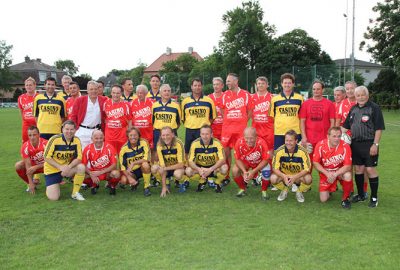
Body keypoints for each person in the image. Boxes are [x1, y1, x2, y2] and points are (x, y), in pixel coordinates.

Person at [342, 86, 385, 208]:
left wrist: (375, 144)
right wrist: (332, 135)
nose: (360, 97)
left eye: (363, 95)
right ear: (355, 97)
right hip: (355, 144)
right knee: (359, 169)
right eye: (358, 95)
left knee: (370, 170)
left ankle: (374, 197)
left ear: (367, 95)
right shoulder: (353, 109)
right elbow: (345, 127)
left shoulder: (374, 108)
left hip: (369, 144)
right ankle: (361, 195)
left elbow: (378, 128)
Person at [220, 73, 252, 186]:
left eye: (229, 81)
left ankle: (244, 176)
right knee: (226, 153)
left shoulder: (246, 94)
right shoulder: (224, 95)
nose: (227, 83)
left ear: (235, 81)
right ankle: (226, 176)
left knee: (242, 153)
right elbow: (222, 110)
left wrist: (243, 121)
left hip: (240, 130)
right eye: (226, 81)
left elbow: (250, 111)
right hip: (227, 130)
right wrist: (229, 120)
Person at [43, 120, 86, 201]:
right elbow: (46, 157)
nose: (69, 132)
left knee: (81, 167)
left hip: (66, 169)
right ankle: (54, 183)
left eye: (71, 129)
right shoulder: (54, 139)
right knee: (54, 198)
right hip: (52, 170)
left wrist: (68, 167)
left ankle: (75, 193)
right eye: (67, 129)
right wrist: (60, 167)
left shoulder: (76, 140)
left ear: (75, 130)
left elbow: (79, 158)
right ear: (62, 129)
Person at [313, 127, 353, 209]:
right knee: (323, 199)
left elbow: (348, 166)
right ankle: (331, 189)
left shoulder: (345, 146)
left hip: (339, 172)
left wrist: (335, 174)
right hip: (326, 172)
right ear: (328, 136)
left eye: (339, 136)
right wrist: (327, 174)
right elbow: (315, 163)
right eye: (334, 136)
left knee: (348, 175)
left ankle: (345, 199)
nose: (337, 139)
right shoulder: (320, 145)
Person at [270, 130, 312, 203]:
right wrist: (284, 176)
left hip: (298, 176)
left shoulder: (303, 151)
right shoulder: (279, 151)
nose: (288, 143)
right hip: (284, 176)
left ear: (296, 141)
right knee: (273, 178)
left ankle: (299, 191)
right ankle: (284, 190)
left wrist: (295, 177)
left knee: (308, 179)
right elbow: (274, 168)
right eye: (287, 140)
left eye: (291, 141)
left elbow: (307, 169)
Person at [186, 125, 227, 193]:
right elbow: (190, 161)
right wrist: (199, 169)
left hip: (214, 168)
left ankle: (217, 183)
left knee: (224, 168)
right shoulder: (195, 143)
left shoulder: (217, 143)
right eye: (203, 134)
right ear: (200, 134)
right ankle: (202, 181)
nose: (205, 136)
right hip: (200, 167)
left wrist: (211, 169)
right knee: (188, 171)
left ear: (211, 134)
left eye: (207, 134)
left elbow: (223, 159)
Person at [232, 127, 271, 200]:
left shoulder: (261, 143)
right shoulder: (239, 142)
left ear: (256, 137)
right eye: (247, 138)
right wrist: (244, 172)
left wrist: (253, 171)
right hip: (246, 163)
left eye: (251, 138)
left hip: (259, 163)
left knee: (267, 171)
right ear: (244, 137)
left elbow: (266, 160)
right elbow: (237, 159)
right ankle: (242, 188)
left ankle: (264, 191)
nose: (249, 141)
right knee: (235, 170)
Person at [300, 80, 335, 156]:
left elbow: (332, 122)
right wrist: (303, 137)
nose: (316, 91)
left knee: (324, 162)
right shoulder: (305, 104)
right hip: (309, 138)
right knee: (308, 163)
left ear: (323, 90)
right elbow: (302, 121)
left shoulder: (330, 104)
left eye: (318, 89)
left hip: (324, 138)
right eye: (314, 89)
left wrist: (330, 136)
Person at [181, 78, 216, 154]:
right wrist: (191, 123)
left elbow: (212, 117)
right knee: (188, 151)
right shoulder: (185, 101)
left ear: (202, 86)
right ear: (191, 87)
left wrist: (205, 125)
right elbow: (183, 118)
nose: (197, 87)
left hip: (203, 131)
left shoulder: (208, 100)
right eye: (195, 85)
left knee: (203, 151)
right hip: (190, 130)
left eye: (199, 85)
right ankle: (188, 165)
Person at [269, 73, 303, 150]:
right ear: (281, 84)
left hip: (295, 133)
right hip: (279, 133)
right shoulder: (274, 99)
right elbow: (272, 117)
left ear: (293, 84)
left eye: (289, 83)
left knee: (296, 157)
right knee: (280, 157)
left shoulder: (300, 98)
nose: (287, 85)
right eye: (285, 83)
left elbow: (302, 117)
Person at [82, 130, 120, 195]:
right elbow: (83, 165)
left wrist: (100, 172)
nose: (99, 140)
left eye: (101, 138)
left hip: (107, 172)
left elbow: (114, 165)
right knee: (80, 175)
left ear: (104, 137)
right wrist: (91, 174)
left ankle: (112, 186)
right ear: (92, 139)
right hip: (94, 172)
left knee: (116, 174)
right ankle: (93, 185)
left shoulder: (109, 147)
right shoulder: (87, 148)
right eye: (96, 138)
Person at [71, 81, 107, 150]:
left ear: (98, 90)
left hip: (97, 131)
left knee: (96, 153)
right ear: (87, 90)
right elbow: (73, 116)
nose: (94, 91)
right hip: (82, 131)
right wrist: (75, 130)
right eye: (91, 89)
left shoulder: (104, 100)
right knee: (82, 154)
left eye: (95, 89)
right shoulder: (80, 100)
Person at [152, 126, 185, 197]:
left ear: (173, 134)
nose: (165, 137)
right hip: (166, 168)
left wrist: (165, 169)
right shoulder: (159, 145)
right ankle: (166, 183)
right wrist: (164, 187)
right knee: (154, 168)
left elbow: (181, 164)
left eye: (168, 135)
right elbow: (162, 166)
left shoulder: (178, 143)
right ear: (160, 136)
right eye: (163, 135)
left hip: (177, 167)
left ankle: (182, 182)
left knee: (178, 174)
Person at [119, 127, 152, 196]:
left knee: (145, 164)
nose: (133, 137)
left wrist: (133, 163)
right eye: (131, 135)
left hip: (143, 168)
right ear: (128, 136)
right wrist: (129, 178)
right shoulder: (124, 149)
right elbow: (123, 168)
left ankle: (146, 187)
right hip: (132, 171)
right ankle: (135, 183)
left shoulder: (144, 142)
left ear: (139, 135)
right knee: (124, 180)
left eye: (135, 135)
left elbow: (147, 159)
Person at [15, 126, 47, 194]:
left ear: (39, 134)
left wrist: (36, 167)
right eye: (30, 135)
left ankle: (57, 180)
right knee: (18, 165)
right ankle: (31, 184)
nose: (32, 137)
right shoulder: (25, 146)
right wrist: (30, 183)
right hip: (33, 167)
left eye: (34, 135)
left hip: (46, 167)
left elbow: (51, 162)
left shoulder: (46, 144)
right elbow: (28, 165)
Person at [103, 84, 132, 154]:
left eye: (118, 93)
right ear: (111, 93)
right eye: (114, 93)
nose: (115, 95)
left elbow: (130, 120)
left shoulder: (126, 105)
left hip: (122, 136)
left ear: (121, 93)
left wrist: (129, 134)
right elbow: (104, 119)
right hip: (109, 137)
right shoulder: (106, 103)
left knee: (122, 156)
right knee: (110, 156)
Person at [151, 84, 181, 148]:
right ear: (160, 93)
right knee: (158, 153)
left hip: (172, 133)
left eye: (168, 91)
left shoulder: (176, 106)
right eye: (165, 91)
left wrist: (170, 130)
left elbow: (178, 122)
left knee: (173, 152)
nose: (167, 92)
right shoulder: (154, 105)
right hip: (158, 133)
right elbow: (153, 121)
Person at [251, 76, 274, 152]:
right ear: (256, 85)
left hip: (269, 130)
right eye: (259, 83)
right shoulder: (252, 98)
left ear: (267, 85)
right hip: (256, 130)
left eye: (263, 83)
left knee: (269, 152)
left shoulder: (272, 98)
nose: (260, 85)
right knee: (257, 152)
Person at [131, 84, 155, 149]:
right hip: (137, 134)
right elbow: (129, 118)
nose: (139, 94)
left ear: (146, 93)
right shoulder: (132, 103)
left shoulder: (153, 103)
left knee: (150, 152)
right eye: (137, 93)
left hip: (149, 134)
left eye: (141, 93)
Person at [18, 77, 38, 143]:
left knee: (38, 143)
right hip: (26, 125)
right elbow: (21, 111)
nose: (28, 87)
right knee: (25, 143)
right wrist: (25, 120)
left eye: (30, 85)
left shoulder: (39, 97)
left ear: (34, 85)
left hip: (38, 124)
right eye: (27, 85)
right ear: (25, 86)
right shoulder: (21, 98)